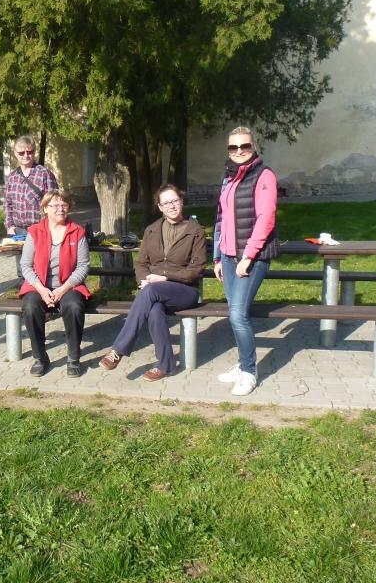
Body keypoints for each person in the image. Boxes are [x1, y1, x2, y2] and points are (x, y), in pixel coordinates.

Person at [99, 185, 206, 380]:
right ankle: (166, 365)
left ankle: (118, 349)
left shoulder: (195, 231)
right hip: (154, 289)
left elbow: (196, 270)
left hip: (185, 290)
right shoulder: (152, 230)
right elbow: (141, 263)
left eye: (175, 201)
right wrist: (143, 280)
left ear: (181, 201)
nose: (171, 206)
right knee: (155, 310)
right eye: (166, 203)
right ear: (160, 207)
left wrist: (165, 277)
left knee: (150, 293)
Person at [212, 126, 279, 396]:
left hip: (251, 258)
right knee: (234, 313)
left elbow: (266, 218)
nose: (239, 151)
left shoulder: (264, 175)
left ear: (254, 147)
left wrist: (248, 256)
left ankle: (249, 371)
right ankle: (242, 365)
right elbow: (221, 219)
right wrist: (218, 256)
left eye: (245, 146)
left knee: (238, 315)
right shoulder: (229, 177)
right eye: (233, 147)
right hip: (228, 257)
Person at [18, 190, 91, 377]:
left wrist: (63, 289)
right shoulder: (34, 232)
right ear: (45, 208)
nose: (61, 209)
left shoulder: (77, 232)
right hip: (39, 285)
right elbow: (25, 265)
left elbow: (83, 266)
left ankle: (73, 358)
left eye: (64, 205)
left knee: (74, 306)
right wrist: (41, 289)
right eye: (55, 205)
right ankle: (40, 358)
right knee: (30, 307)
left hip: (69, 286)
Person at [3, 135, 58, 279]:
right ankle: (25, 290)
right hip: (19, 231)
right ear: (16, 153)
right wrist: (9, 226)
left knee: (41, 268)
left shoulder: (45, 174)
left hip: (40, 229)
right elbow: (7, 204)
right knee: (22, 268)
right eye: (21, 152)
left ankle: (43, 292)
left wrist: (50, 227)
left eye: (30, 152)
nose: (26, 155)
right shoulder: (12, 177)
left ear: (34, 152)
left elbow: (54, 203)